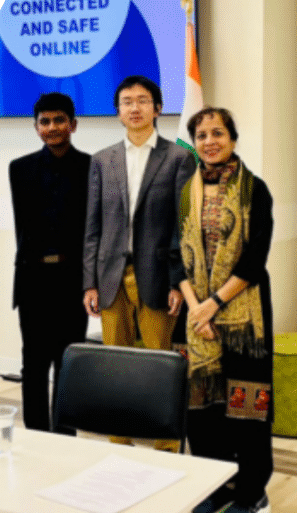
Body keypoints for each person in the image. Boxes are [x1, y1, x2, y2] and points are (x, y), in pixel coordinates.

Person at [171, 107, 274, 513]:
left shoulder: (256, 190)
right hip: (196, 315)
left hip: (243, 318)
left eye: (217, 133)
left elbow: (256, 257)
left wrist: (213, 303)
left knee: (246, 408)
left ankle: (252, 492)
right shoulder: (184, 191)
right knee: (201, 408)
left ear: (233, 138)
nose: (209, 141)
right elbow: (172, 251)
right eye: (201, 134)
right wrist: (197, 307)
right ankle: (215, 483)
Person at [81, 75, 195, 451]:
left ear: (157, 108)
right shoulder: (102, 160)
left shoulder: (179, 158)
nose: (134, 108)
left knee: (160, 365)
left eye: (143, 101)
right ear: (118, 111)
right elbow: (92, 226)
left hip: (159, 277)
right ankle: (119, 440)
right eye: (127, 101)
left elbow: (184, 228)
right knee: (115, 365)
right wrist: (89, 283)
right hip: (111, 277)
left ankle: (166, 446)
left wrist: (179, 282)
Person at [9, 93, 91, 431]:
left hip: (74, 281)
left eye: (59, 120)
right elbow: (22, 230)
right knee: (34, 363)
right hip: (33, 281)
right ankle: (36, 435)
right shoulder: (20, 168)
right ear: (36, 127)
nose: (52, 127)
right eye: (44, 121)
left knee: (68, 362)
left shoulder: (92, 167)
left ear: (73, 124)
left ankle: (64, 434)